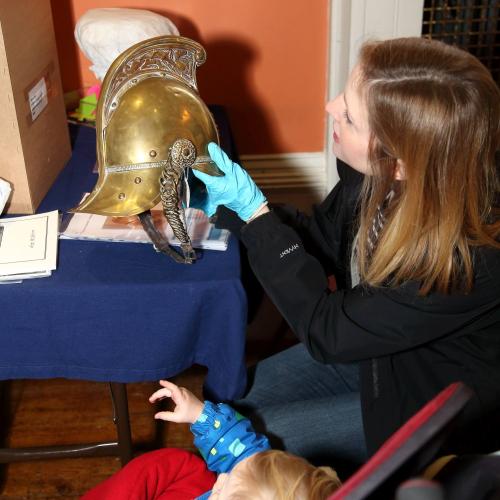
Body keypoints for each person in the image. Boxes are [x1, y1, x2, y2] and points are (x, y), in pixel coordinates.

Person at [191, 36, 500, 475]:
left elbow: (328, 332)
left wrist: (256, 215)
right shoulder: (374, 176)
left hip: (422, 396)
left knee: (249, 451)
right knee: (225, 402)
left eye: (350, 117)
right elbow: (318, 242)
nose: (330, 106)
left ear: (401, 163)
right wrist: (233, 209)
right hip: (372, 350)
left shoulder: (468, 259)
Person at [82, 380, 341, 499]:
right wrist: (199, 414)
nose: (223, 475)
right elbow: (243, 452)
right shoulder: (253, 473)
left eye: (221, 493)